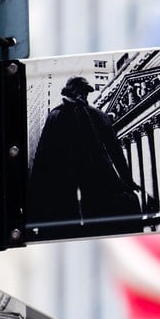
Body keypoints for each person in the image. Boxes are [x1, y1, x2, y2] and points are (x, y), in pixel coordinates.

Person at [29, 76, 144, 225]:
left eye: (85, 92)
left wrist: (127, 180)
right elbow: (43, 156)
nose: (83, 95)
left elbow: (115, 151)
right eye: (81, 91)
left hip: (94, 179)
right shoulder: (57, 115)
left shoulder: (97, 116)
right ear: (70, 91)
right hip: (66, 182)